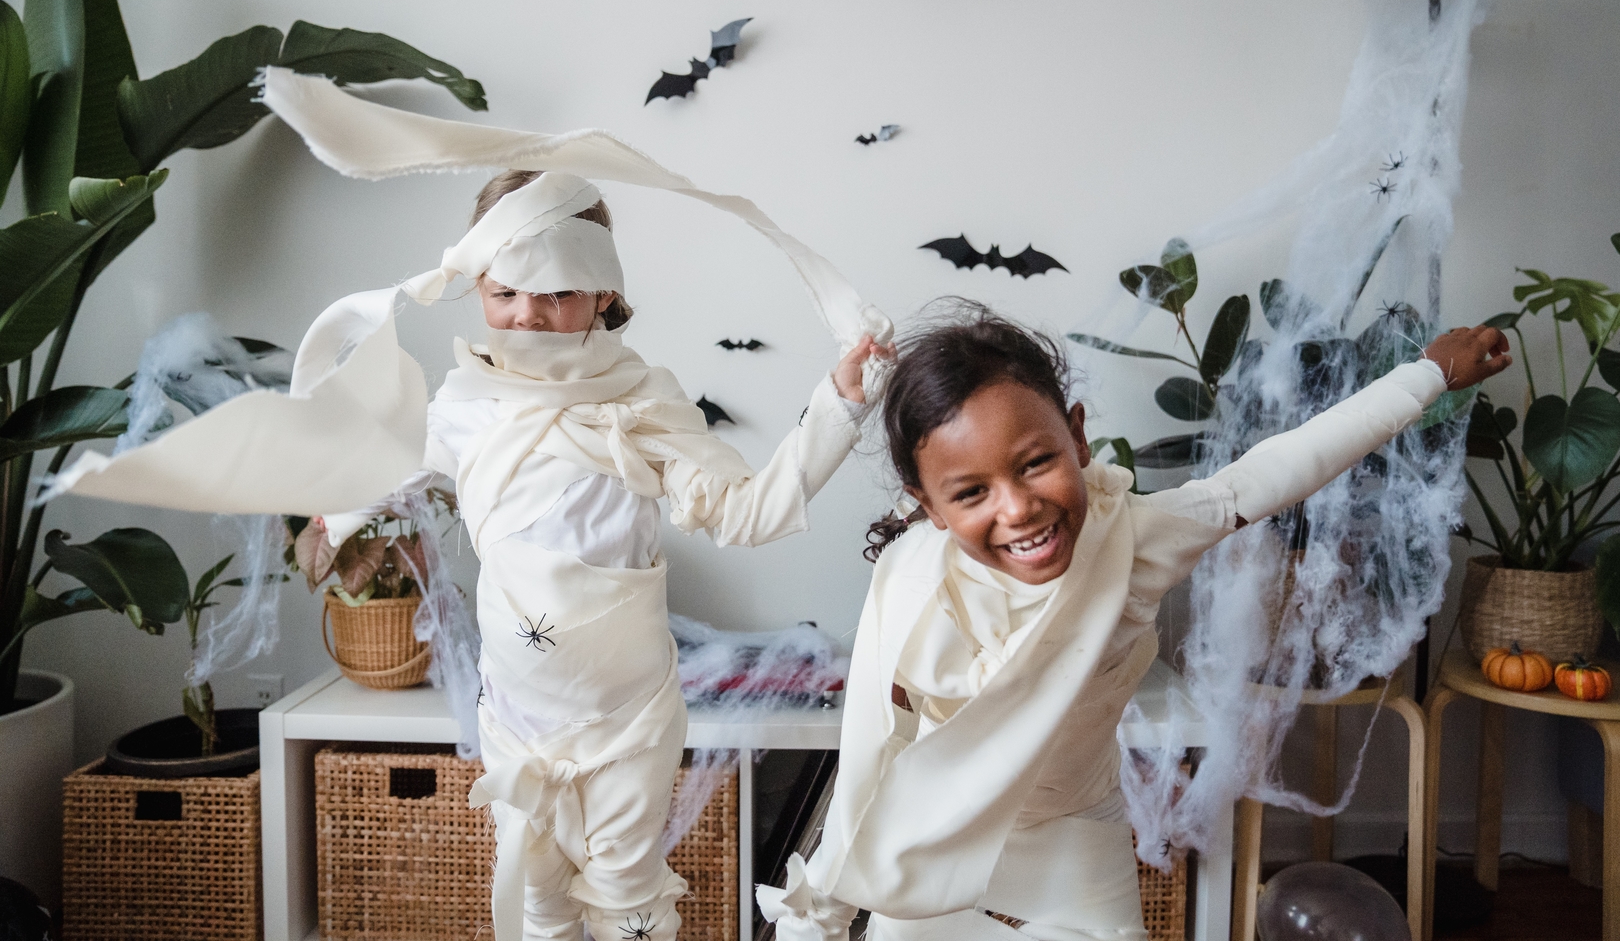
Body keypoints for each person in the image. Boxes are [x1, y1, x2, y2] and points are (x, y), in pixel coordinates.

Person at [757, 302, 1509, 941]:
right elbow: (871, 749)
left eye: (1035, 462)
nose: (1018, 508)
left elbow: (1278, 470)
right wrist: (823, 907)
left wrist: (1426, 375)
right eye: (971, 492)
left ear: (1077, 436)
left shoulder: (1138, 539)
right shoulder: (913, 580)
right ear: (929, 505)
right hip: (932, 839)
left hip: (1075, 836)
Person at [314, 169, 891, 941]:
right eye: (505, 292)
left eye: (556, 291)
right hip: (516, 716)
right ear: (477, 286)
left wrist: (839, 405)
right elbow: (386, 466)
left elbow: (745, 512)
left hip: (629, 717)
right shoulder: (462, 409)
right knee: (539, 901)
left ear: (603, 292)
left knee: (630, 905)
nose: (528, 314)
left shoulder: (643, 405)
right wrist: (328, 513)